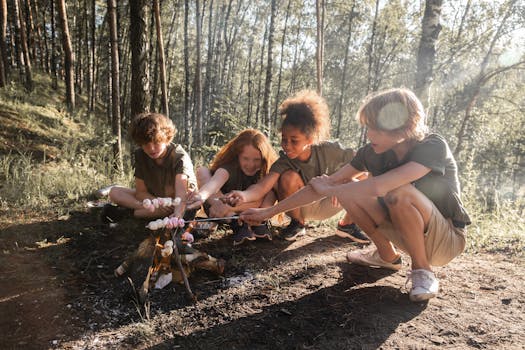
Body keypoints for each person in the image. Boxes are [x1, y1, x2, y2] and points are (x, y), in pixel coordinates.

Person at [242, 88, 470, 302]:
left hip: (446, 239)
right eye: (368, 127)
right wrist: (267, 212)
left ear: (404, 127)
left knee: (399, 192)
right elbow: (323, 184)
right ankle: (386, 256)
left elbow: (381, 186)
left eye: (376, 129)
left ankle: (422, 271)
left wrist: (331, 190)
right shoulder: (372, 152)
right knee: (351, 191)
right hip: (407, 234)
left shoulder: (432, 145)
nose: (369, 134)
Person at [227, 90, 368, 242]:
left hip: (329, 203)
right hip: (298, 205)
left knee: (359, 180)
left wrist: (341, 183)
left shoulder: (330, 150)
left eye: (294, 140)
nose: (287, 145)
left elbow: (364, 168)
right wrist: (243, 195)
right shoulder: (284, 161)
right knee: (288, 177)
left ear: (311, 139)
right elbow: (262, 188)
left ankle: (347, 225)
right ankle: (297, 223)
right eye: (284, 139)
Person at [186, 129, 278, 246]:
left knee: (271, 190)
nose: (250, 165)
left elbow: (258, 200)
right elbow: (214, 184)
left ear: (264, 158)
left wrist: (229, 207)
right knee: (202, 171)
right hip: (218, 207)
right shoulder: (229, 167)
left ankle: (259, 224)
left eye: (257, 160)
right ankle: (238, 224)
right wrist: (201, 196)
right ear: (237, 155)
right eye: (245, 158)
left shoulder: (265, 171)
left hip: (249, 209)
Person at [106, 112, 197, 221]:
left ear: (166, 138)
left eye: (156, 142)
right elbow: (141, 192)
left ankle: (130, 213)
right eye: (146, 144)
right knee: (115, 192)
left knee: (180, 208)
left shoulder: (179, 157)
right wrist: (157, 202)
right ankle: (145, 211)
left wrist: (177, 214)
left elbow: (181, 194)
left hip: (178, 203)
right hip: (156, 200)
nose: (151, 149)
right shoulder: (141, 155)